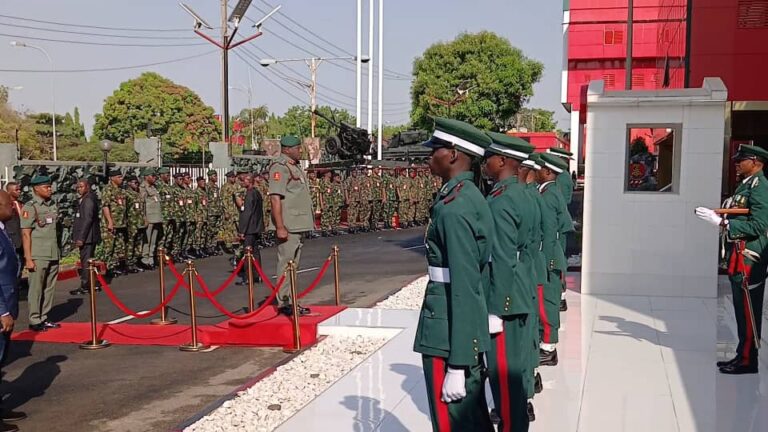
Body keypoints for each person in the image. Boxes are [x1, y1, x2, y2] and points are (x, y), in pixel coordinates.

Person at [414, 118, 494, 432]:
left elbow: (463, 283)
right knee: (471, 423)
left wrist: (458, 363)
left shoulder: (456, 206)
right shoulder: (465, 197)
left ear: (453, 155)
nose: (429, 155)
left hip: (446, 333)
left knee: (453, 423)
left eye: (435, 149)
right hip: (455, 326)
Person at [697, 144, 768, 375]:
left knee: (748, 309)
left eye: (742, 159)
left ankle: (748, 360)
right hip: (739, 255)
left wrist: (724, 223)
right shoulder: (746, 185)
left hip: (749, 257)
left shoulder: (760, 187)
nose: (737, 163)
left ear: (756, 161)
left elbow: (760, 224)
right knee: (740, 308)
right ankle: (742, 354)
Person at [482, 132, 536, 431]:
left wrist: (496, 308)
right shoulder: (521, 194)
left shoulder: (501, 201)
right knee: (511, 375)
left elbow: (502, 257)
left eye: (489, 158)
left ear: (502, 161)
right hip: (520, 289)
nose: (485, 164)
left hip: (507, 298)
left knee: (503, 379)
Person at [268, 136, 314, 315]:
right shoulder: (280, 167)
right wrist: (280, 226)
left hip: (297, 224)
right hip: (288, 224)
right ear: (287, 149)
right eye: (297, 148)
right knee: (286, 264)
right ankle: (284, 302)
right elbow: (275, 198)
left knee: (293, 266)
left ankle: (292, 299)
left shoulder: (293, 166)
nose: (300, 151)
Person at [536, 153, 570, 367]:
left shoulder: (548, 195)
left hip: (549, 257)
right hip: (551, 254)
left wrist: (546, 263)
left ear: (548, 172)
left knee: (546, 302)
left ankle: (548, 348)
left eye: (539, 168)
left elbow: (549, 232)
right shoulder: (548, 191)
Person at [20, 175, 61, 332]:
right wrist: (28, 258)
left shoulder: (51, 205)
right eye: (46, 187)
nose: (49, 189)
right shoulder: (31, 207)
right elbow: (26, 234)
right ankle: (34, 319)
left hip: (52, 252)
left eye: (50, 186)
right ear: (36, 189)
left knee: (49, 288)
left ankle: (44, 316)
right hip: (38, 254)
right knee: (36, 288)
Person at [0, 190, 25, 431]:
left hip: (8, 302)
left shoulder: (3, 229)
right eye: (9, 203)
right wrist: (2, 311)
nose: (13, 206)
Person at [546, 147, 575, 312]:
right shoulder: (563, 176)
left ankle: (561, 297)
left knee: (558, 261)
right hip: (558, 224)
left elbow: (561, 203)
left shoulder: (562, 177)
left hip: (557, 225)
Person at [70, 179, 101, 296]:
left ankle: (86, 285)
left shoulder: (88, 200)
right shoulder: (86, 198)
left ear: (87, 187)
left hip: (87, 237)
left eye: (81, 187)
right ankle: (92, 283)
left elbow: (87, 220)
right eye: (78, 187)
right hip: (88, 236)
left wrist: (81, 238)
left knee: (86, 262)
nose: (79, 189)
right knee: (88, 261)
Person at [99, 169, 129, 276]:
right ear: (112, 178)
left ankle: (115, 266)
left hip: (120, 223)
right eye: (119, 177)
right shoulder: (108, 189)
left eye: (121, 177)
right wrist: (110, 221)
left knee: (118, 246)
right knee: (109, 247)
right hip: (110, 224)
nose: (121, 179)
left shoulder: (121, 190)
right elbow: (105, 206)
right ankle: (108, 268)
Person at [237, 172, 264, 286]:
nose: (243, 182)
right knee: (256, 253)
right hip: (256, 227)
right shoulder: (257, 193)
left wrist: (242, 230)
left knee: (247, 253)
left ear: (250, 181)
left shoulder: (250, 194)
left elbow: (247, 213)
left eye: (244, 180)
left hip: (249, 228)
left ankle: (249, 277)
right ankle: (258, 276)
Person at [140, 168, 163, 269]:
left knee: (153, 241)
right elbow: (142, 204)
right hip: (149, 218)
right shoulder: (143, 188)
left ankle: (151, 258)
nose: (154, 178)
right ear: (146, 177)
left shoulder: (154, 187)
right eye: (152, 176)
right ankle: (144, 260)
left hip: (156, 217)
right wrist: (144, 217)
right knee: (147, 240)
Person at [124, 175, 145, 273]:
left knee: (138, 243)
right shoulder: (126, 194)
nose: (137, 185)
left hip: (139, 221)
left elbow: (141, 209)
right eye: (134, 183)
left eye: (137, 183)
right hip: (131, 222)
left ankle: (135, 261)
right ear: (128, 183)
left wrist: (144, 219)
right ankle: (129, 263)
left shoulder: (138, 194)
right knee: (130, 243)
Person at [4, 183, 23, 282]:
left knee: (20, 263)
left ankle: (17, 283)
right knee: (15, 263)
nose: (19, 191)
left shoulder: (21, 203)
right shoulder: (5, 205)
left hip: (22, 239)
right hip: (11, 238)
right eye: (16, 190)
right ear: (9, 191)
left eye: (20, 189)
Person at [206, 170, 223, 256]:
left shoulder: (216, 187)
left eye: (216, 176)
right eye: (214, 176)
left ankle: (214, 246)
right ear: (209, 177)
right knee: (210, 230)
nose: (216, 177)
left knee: (216, 230)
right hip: (211, 212)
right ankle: (209, 247)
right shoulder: (207, 186)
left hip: (217, 211)